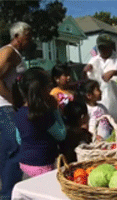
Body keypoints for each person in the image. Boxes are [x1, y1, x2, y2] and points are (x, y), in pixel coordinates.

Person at [12, 67, 66, 177]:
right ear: (43, 90)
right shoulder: (43, 114)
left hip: (24, 164)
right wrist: (55, 110)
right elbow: (61, 134)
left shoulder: (19, 112)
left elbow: (19, 139)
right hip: (43, 165)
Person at [0, 21, 32, 199]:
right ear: (18, 37)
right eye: (28, 37)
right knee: (15, 148)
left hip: (6, 107)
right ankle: (8, 195)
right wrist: (13, 101)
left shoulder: (14, 53)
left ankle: (7, 192)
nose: (30, 41)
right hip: (5, 107)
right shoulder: (10, 52)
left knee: (6, 149)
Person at [83, 33, 117, 127]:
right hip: (99, 106)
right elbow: (86, 80)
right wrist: (86, 69)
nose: (104, 50)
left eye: (106, 47)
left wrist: (114, 72)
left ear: (111, 47)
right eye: (101, 47)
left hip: (116, 106)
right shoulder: (94, 60)